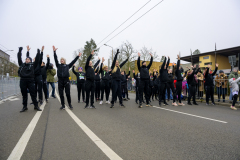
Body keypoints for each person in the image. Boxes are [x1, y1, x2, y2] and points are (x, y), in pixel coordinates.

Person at [53, 45, 81, 110]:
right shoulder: (58, 65)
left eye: (63, 60)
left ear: (64, 61)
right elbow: (55, 59)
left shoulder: (67, 66)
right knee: (61, 94)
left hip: (66, 81)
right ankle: (63, 105)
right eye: (61, 60)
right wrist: (54, 52)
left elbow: (73, 61)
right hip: (60, 81)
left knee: (68, 93)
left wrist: (78, 56)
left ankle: (70, 104)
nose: (61, 60)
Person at [18, 47, 42, 112]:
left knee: (33, 94)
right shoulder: (22, 65)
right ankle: (25, 107)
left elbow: (37, 60)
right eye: (26, 59)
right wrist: (20, 51)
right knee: (24, 94)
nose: (27, 60)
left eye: (28, 59)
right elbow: (19, 58)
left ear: (30, 61)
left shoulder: (33, 65)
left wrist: (38, 52)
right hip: (23, 80)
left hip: (31, 81)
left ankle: (36, 106)